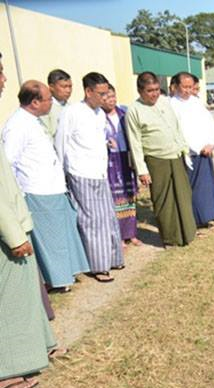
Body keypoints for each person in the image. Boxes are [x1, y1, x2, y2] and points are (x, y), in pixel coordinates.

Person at [0, 54, 61, 388]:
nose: (5, 80)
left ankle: (38, 348)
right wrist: (13, 233)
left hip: (13, 220)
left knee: (26, 293)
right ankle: (8, 369)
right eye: (0, 72)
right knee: (8, 300)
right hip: (5, 228)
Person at [2, 80, 89, 291]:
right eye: (49, 99)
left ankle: (65, 274)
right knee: (51, 240)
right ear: (34, 102)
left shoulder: (34, 120)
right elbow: (8, 163)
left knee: (62, 234)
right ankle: (57, 280)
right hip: (37, 191)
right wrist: (20, 194)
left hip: (52, 188)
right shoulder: (17, 125)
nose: (52, 103)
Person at [56, 72, 124, 283]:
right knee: (92, 221)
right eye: (101, 94)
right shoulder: (72, 112)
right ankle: (98, 266)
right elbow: (61, 143)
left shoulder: (99, 114)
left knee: (108, 217)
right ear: (88, 91)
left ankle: (112, 258)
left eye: (107, 94)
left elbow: (96, 139)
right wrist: (61, 174)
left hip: (99, 172)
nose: (105, 98)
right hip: (81, 173)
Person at [125, 71, 196, 247]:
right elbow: (135, 142)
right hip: (156, 160)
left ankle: (188, 234)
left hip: (176, 155)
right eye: (150, 90)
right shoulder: (134, 110)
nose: (155, 93)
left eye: (157, 89)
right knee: (164, 201)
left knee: (183, 195)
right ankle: (171, 238)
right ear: (140, 91)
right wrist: (141, 170)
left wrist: (183, 148)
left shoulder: (165, 102)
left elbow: (176, 126)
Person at [170, 72, 214, 229]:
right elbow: (179, 131)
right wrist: (194, 148)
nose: (187, 90)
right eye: (184, 87)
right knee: (190, 189)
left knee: (206, 187)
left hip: (204, 151)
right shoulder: (171, 105)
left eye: (190, 87)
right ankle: (192, 219)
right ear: (176, 86)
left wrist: (211, 143)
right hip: (188, 153)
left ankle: (207, 216)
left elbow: (209, 123)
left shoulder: (196, 102)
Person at [101, 84, 141, 246]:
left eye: (113, 96)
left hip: (126, 157)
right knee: (116, 198)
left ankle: (131, 234)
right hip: (110, 161)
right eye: (107, 97)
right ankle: (120, 236)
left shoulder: (124, 112)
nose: (111, 100)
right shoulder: (97, 117)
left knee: (129, 195)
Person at [40, 69, 72, 137]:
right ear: (51, 87)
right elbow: (46, 135)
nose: (68, 90)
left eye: (70, 86)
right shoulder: (44, 109)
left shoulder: (72, 108)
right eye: (64, 86)